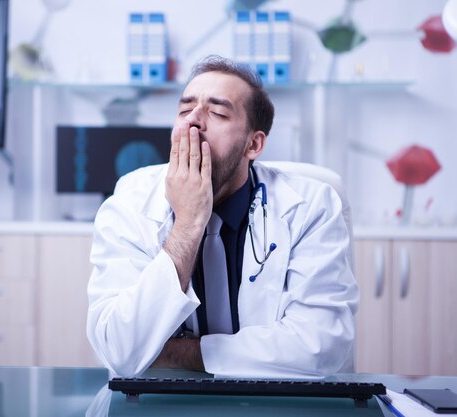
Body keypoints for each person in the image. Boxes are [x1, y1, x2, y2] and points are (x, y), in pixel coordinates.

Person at [86, 55, 359, 378]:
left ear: (253, 144)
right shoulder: (131, 201)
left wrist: (177, 353)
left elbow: (320, 346)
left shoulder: (312, 205)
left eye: (217, 112)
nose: (194, 121)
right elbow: (118, 348)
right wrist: (187, 225)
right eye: (185, 110)